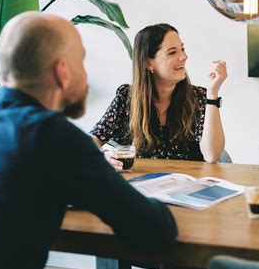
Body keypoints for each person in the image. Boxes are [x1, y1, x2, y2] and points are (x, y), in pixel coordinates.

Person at [0, 12, 177, 269]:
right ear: (62, 71)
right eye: (81, 60)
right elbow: (156, 231)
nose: (86, 74)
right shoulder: (55, 137)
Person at [91, 23, 227, 170]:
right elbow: (92, 140)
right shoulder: (126, 97)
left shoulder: (199, 97)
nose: (184, 56)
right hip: (141, 186)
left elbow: (212, 155)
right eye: (172, 52)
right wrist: (104, 155)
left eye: (182, 49)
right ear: (149, 63)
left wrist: (212, 94)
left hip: (188, 186)